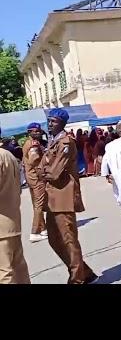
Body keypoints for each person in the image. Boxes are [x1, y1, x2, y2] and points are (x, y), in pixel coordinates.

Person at [36, 109, 98, 284]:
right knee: (54, 241)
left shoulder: (66, 142)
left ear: (63, 123)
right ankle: (85, 272)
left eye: (53, 121)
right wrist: (43, 171)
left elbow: (54, 173)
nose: (49, 124)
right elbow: (40, 168)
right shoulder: (52, 142)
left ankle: (77, 278)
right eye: (48, 121)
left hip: (64, 196)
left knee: (68, 240)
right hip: (52, 198)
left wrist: (43, 172)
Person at [0, 125, 31, 284]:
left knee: (4, 272)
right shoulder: (9, 155)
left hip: (2, 225)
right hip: (12, 219)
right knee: (19, 268)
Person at [22, 122, 48, 242]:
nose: (38, 133)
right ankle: (34, 231)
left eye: (38, 131)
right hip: (37, 178)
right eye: (35, 131)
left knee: (36, 204)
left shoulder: (27, 143)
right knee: (39, 205)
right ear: (29, 132)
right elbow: (34, 160)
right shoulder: (33, 145)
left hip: (30, 177)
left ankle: (42, 228)